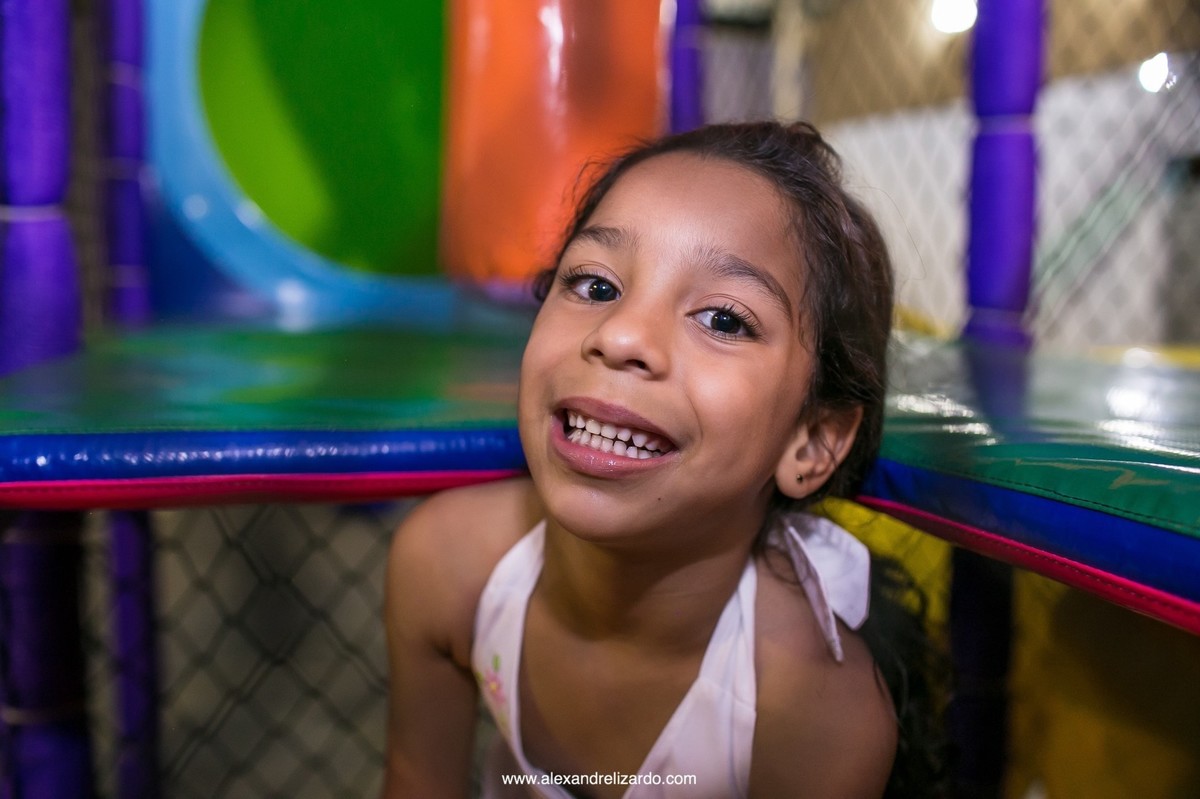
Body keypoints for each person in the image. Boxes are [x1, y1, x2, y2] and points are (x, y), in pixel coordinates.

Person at [383, 121, 944, 798]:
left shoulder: (809, 714)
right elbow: (417, 777)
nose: (620, 335)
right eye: (594, 285)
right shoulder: (447, 563)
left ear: (812, 440)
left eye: (724, 319)